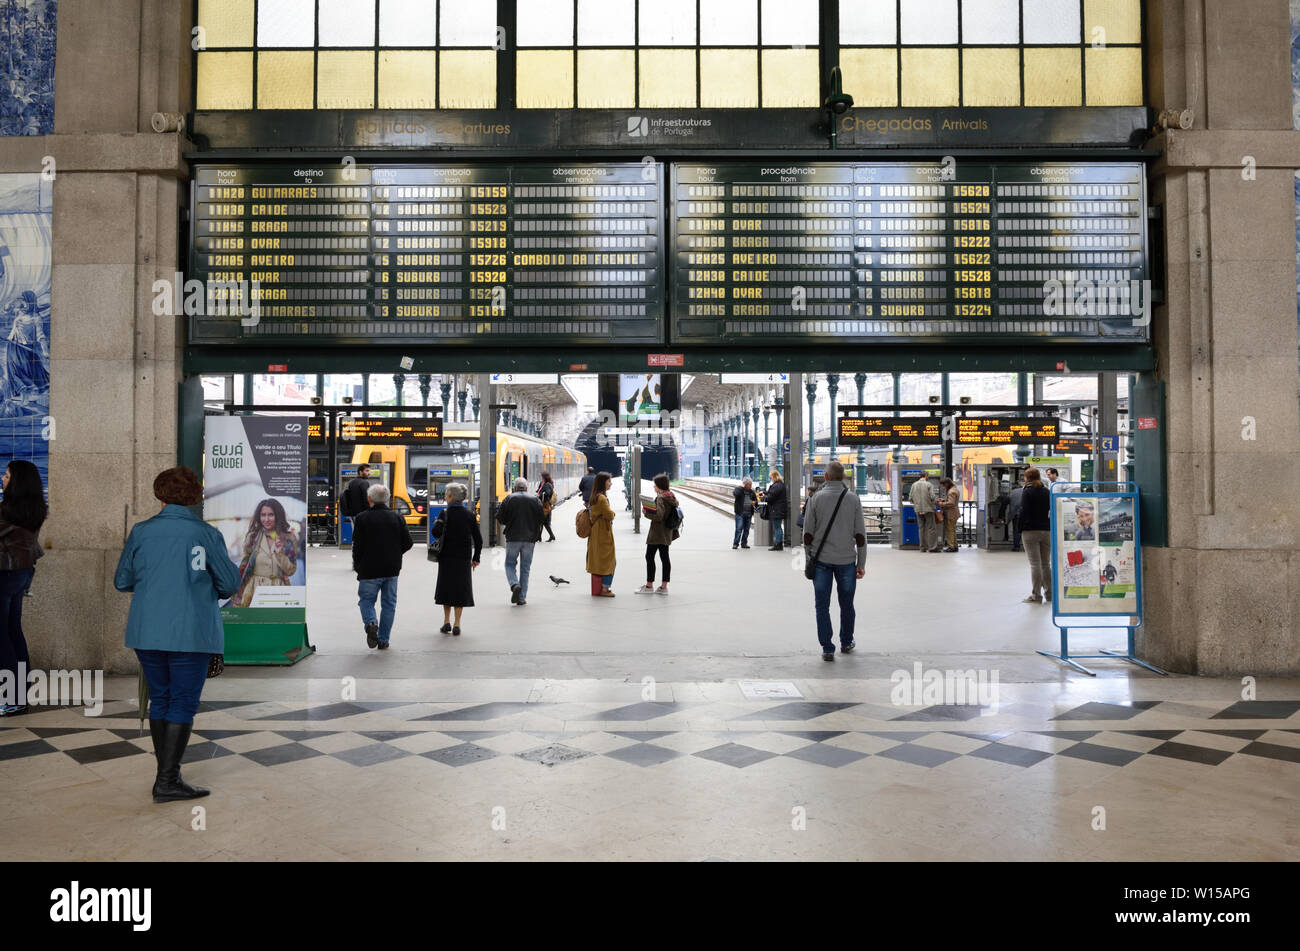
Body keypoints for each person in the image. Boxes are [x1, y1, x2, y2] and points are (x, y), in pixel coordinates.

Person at [114, 466, 242, 802]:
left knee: (161, 698)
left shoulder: (141, 532)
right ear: (195, 495)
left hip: (147, 630)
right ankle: (167, 781)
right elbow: (229, 583)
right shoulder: (205, 534)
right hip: (192, 630)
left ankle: (166, 776)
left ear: (159, 494)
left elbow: (121, 581)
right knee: (183, 700)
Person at [802, 461, 867, 661]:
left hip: (821, 560)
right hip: (847, 560)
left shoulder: (815, 499)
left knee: (822, 605)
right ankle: (846, 641)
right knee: (847, 604)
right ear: (844, 478)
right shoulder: (853, 499)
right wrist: (861, 564)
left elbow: (807, 535)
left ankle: (827, 648)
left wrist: (808, 559)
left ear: (826, 477)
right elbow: (860, 536)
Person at [0, 460, 46, 716]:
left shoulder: (7, 512)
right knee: (13, 631)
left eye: (7, 475)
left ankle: (11, 697)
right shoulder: (34, 510)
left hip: (4, 575)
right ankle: (19, 692)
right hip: (21, 575)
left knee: (2, 635)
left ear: (16, 482)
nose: (3, 479)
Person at [351, 482, 412, 650]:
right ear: (387, 499)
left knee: (366, 601)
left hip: (369, 569)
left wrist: (358, 565)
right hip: (391, 569)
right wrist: (395, 554)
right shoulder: (397, 517)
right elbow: (408, 543)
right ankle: (384, 640)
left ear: (369, 498)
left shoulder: (362, 518)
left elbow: (357, 546)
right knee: (389, 604)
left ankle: (371, 622)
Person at [230, 498, 299, 607]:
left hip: (279, 591)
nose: (266, 519)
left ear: (278, 515)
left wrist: (279, 553)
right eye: (263, 515)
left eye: (271, 515)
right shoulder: (252, 537)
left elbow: (291, 570)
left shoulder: (288, 539)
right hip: (254, 590)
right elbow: (245, 567)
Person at [432, 482, 481, 635]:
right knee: (460, 590)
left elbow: (435, 532)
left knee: (446, 589)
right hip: (463, 558)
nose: (446, 498)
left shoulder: (444, 514)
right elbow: (478, 540)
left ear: (451, 497)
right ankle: (457, 624)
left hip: (446, 557)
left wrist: (438, 524)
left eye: (446, 495)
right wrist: (476, 558)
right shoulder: (470, 515)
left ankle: (446, 622)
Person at [498, 477, 544, 606]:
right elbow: (541, 518)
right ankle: (522, 597)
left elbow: (501, 518)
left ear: (515, 488)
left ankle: (514, 584)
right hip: (530, 539)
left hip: (513, 537)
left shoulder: (509, 498)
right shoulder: (535, 499)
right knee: (525, 568)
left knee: (509, 564)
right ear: (527, 487)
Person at [636, 473, 679, 595]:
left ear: (659, 486)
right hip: (667, 532)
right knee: (665, 558)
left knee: (649, 557)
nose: (654, 488)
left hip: (657, 533)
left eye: (655, 486)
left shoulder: (660, 498)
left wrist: (646, 512)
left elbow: (659, 516)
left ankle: (649, 586)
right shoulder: (671, 496)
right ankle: (664, 587)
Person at [1018, 467, 1052, 603]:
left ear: (1027, 478)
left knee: (1035, 564)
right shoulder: (1047, 491)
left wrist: (1019, 528)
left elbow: (1023, 511)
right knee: (1045, 564)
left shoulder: (1027, 492)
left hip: (1030, 531)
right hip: (1046, 530)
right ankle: (1050, 595)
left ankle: (1036, 596)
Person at [586, 472, 616, 596]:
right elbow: (610, 515)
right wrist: (613, 514)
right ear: (602, 482)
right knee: (610, 560)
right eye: (609, 481)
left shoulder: (595, 496)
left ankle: (602, 587)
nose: (611, 483)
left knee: (600, 559)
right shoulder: (602, 498)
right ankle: (605, 588)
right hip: (603, 531)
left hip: (596, 531)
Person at [907, 475, 940, 553]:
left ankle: (922, 548)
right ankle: (932, 547)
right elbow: (932, 497)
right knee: (931, 528)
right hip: (928, 509)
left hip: (918, 509)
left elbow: (910, 498)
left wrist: (917, 504)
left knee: (921, 528)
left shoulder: (914, 485)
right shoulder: (928, 484)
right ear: (926, 476)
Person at [764, 470, 788, 550]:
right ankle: (778, 543)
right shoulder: (779, 485)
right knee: (778, 527)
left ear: (774, 477)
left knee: (777, 527)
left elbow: (771, 497)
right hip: (778, 509)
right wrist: (765, 493)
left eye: (771, 477)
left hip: (777, 510)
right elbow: (772, 494)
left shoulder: (777, 485)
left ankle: (778, 544)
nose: (770, 479)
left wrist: (764, 497)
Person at [732, 477, 758, 549]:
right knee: (739, 529)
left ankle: (744, 543)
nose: (750, 486)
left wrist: (754, 503)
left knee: (746, 530)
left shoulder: (752, 492)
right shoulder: (739, 489)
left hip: (749, 513)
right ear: (745, 484)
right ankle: (735, 543)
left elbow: (756, 501)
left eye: (751, 484)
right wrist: (741, 487)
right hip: (740, 513)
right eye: (749, 484)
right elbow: (735, 494)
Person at [938, 477, 961, 552]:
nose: (943, 487)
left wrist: (942, 503)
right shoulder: (955, 489)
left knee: (950, 530)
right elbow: (952, 501)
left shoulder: (951, 491)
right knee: (953, 530)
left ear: (947, 484)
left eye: (943, 485)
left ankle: (951, 546)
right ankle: (955, 546)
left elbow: (951, 503)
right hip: (954, 512)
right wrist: (945, 500)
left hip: (951, 513)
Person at [536, 471, 557, 542]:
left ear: (544, 477)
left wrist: (540, 494)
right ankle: (541, 537)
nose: (541, 477)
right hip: (542, 504)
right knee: (542, 522)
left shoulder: (548, 484)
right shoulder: (542, 483)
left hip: (545, 505)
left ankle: (546, 536)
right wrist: (538, 493)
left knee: (543, 522)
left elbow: (547, 493)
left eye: (542, 476)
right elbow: (539, 490)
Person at [1008, 481, 1024, 552]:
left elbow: (1009, 502)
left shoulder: (1012, 492)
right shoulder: (1025, 491)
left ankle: (1017, 547)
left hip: (1016, 514)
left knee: (1016, 530)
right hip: (1025, 514)